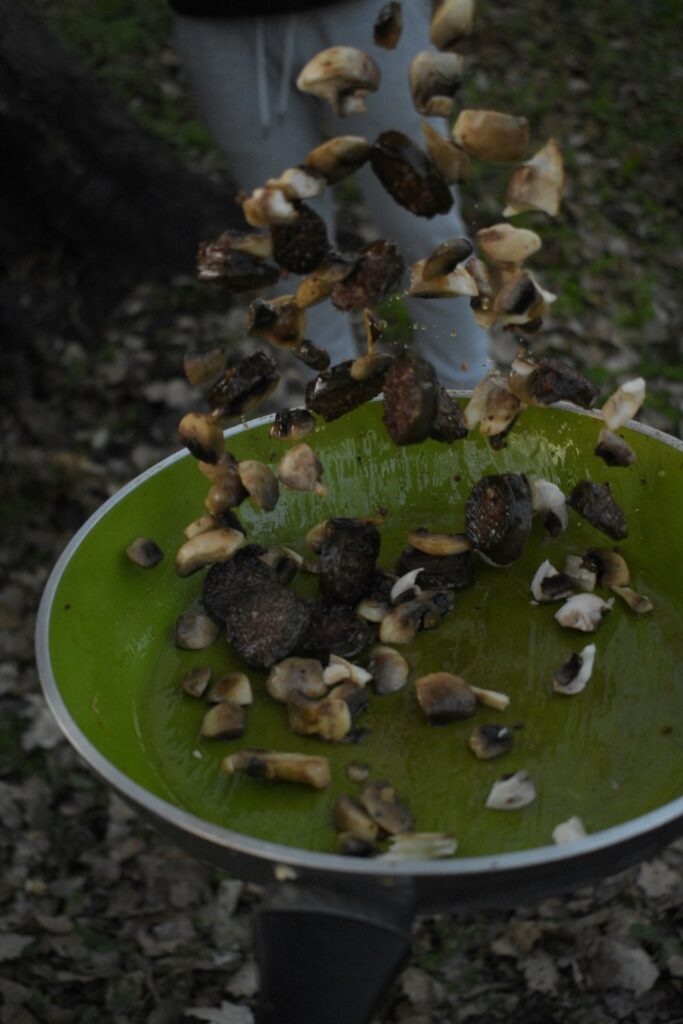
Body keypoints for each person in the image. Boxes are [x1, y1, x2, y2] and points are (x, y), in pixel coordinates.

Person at [169, 0, 492, 388]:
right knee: (290, 246)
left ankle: (471, 390)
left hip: (369, 12)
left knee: (428, 226)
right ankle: (337, 418)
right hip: (219, 26)